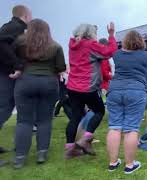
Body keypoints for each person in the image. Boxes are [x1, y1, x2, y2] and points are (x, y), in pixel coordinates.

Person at [13, 19, 66, 169]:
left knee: (24, 121)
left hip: (25, 82)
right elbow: (60, 67)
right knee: (45, 120)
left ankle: (20, 157)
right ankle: (42, 153)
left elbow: (12, 59)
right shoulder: (55, 46)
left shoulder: (20, 43)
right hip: (49, 83)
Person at [106, 30, 147, 174]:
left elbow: (110, 48)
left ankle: (113, 163)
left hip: (115, 90)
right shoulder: (145, 55)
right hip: (136, 91)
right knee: (131, 128)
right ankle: (129, 165)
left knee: (114, 126)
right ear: (140, 42)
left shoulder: (117, 55)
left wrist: (111, 34)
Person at [65, 23, 117, 159]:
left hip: (72, 87)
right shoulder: (90, 45)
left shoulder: (72, 45)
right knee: (99, 111)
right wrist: (111, 34)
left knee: (75, 117)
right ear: (90, 34)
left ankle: (70, 149)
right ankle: (85, 139)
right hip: (87, 87)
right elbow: (110, 51)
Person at [0, 5, 32, 167]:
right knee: (3, 108)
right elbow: (1, 44)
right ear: (25, 15)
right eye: (30, 15)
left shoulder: (15, 27)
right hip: (5, 74)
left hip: (7, 74)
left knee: (7, 106)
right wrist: (17, 65)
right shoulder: (14, 27)